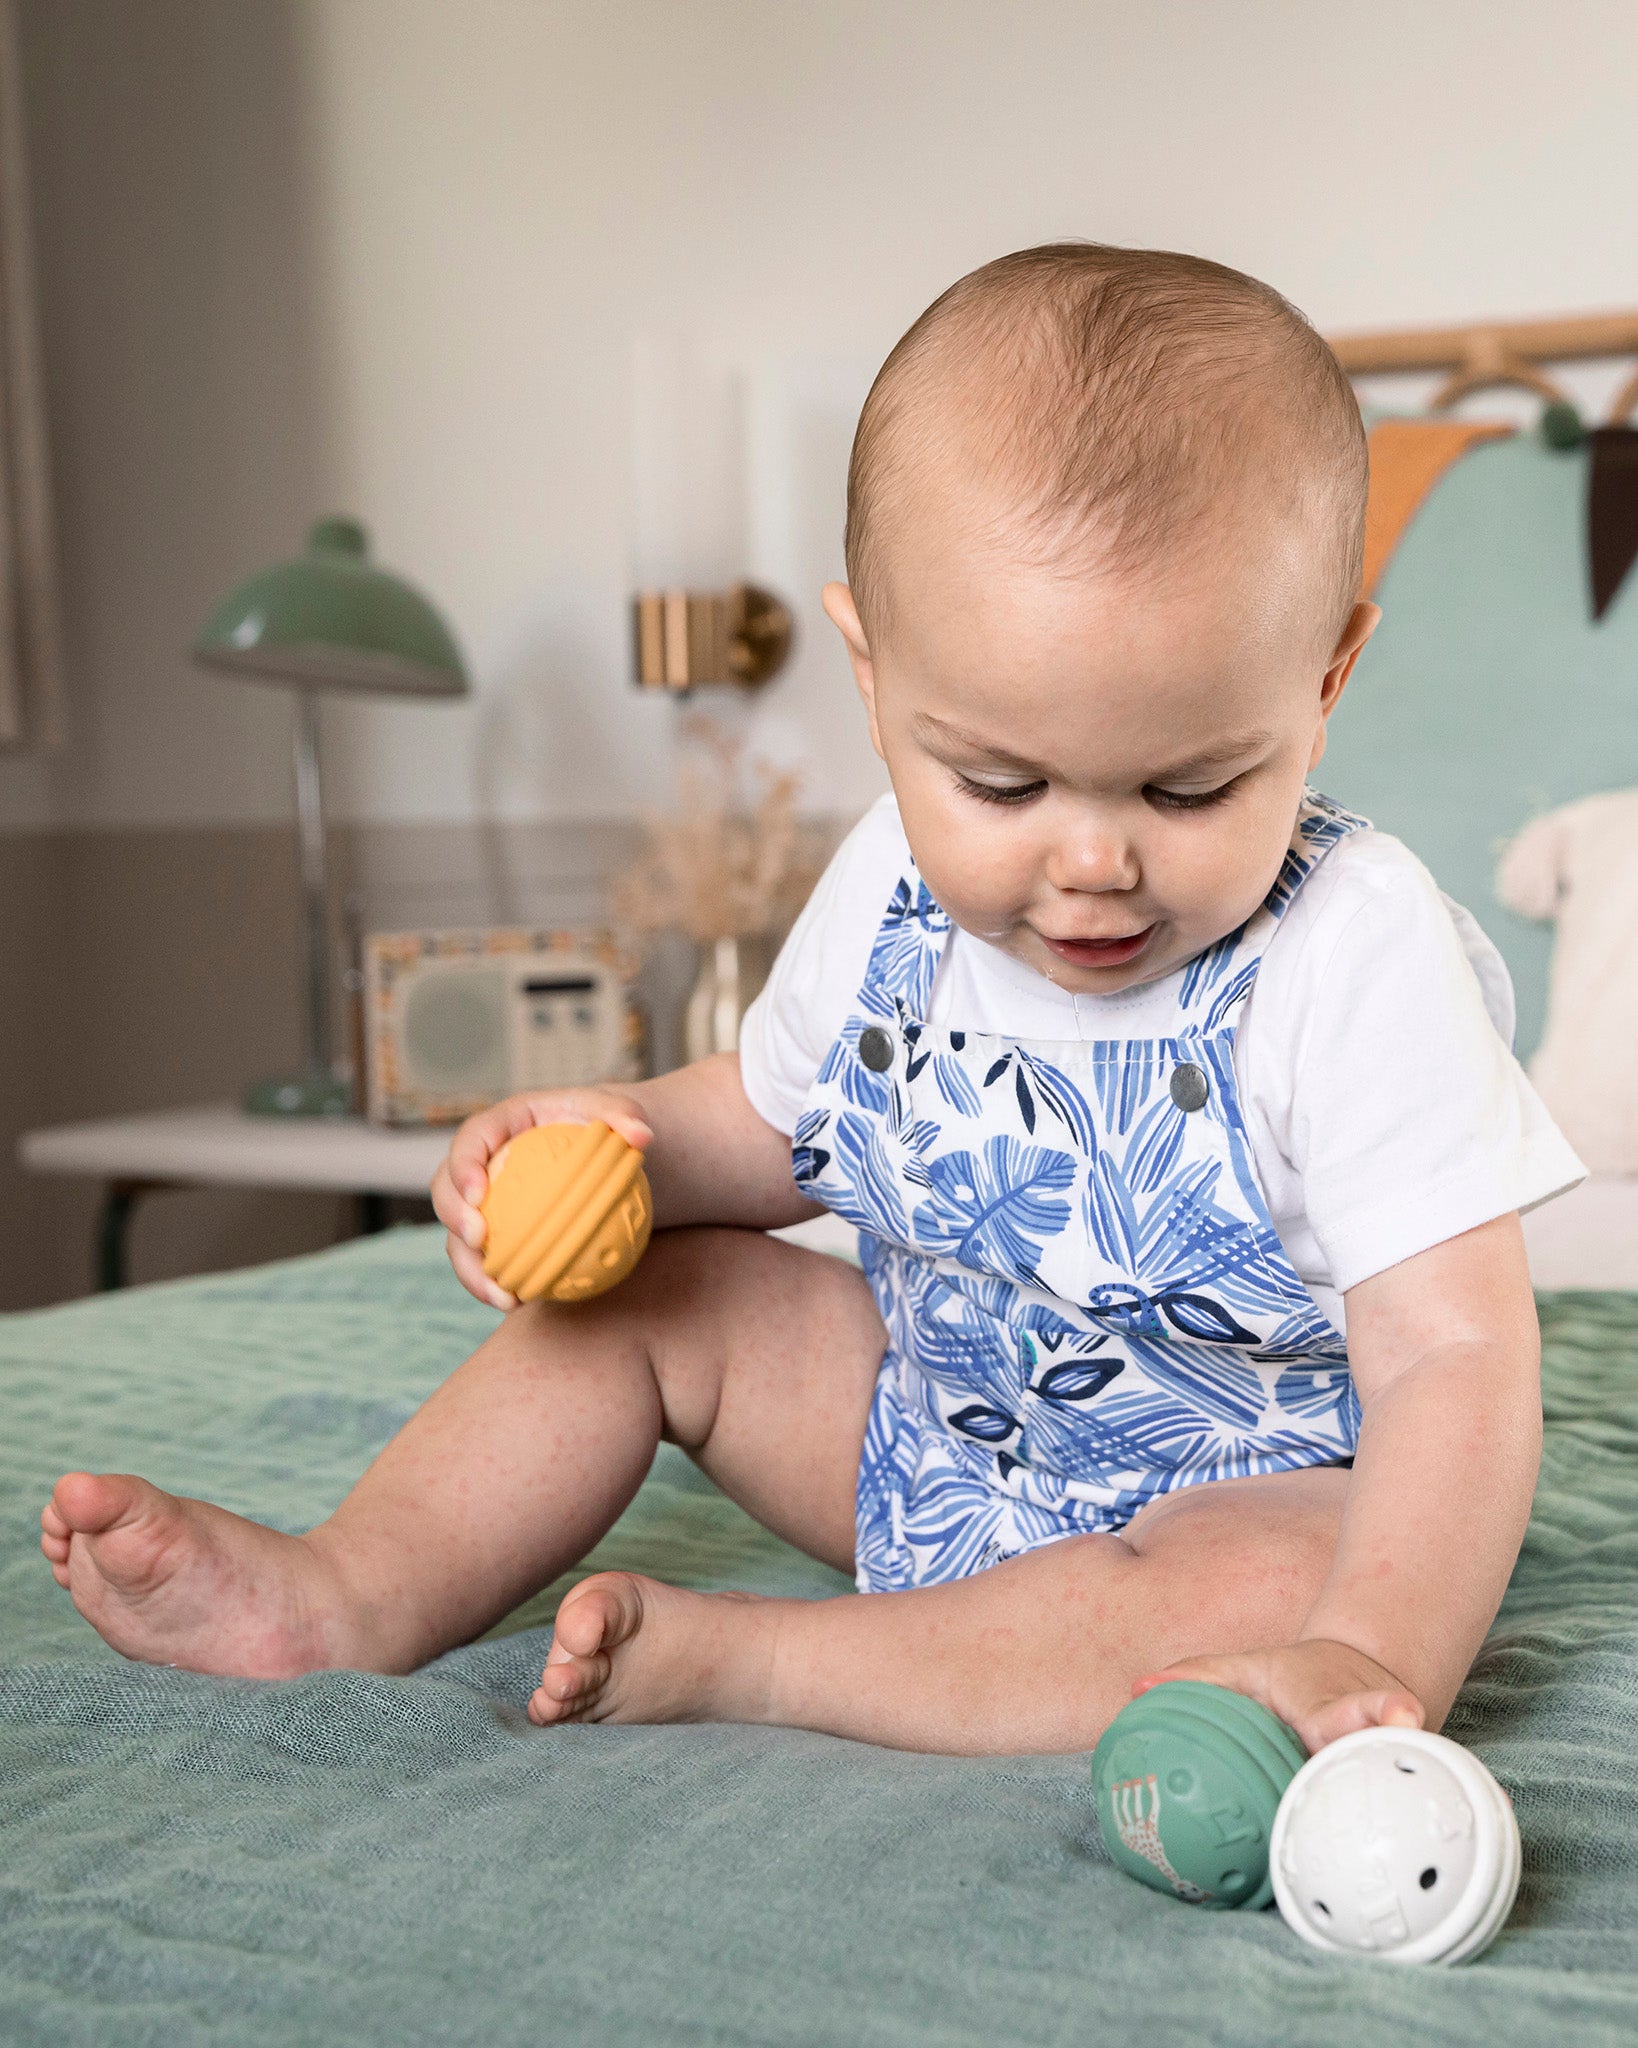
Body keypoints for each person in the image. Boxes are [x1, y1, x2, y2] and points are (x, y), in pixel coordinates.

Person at [41, 245, 1582, 1758]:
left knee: (1271, 1580)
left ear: (1323, 682)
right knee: (658, 1293)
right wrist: (625, 1135)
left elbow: (1453, 1362)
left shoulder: (1354, 951)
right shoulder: (889, 887)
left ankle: (773, 1662)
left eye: (1190, 785)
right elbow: (776, 1124)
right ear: (868, 672)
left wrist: (1371, 1650)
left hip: (1229, 1487)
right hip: (924, 1432)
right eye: (997, 779)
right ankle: (349, 1589)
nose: (1091, 860)